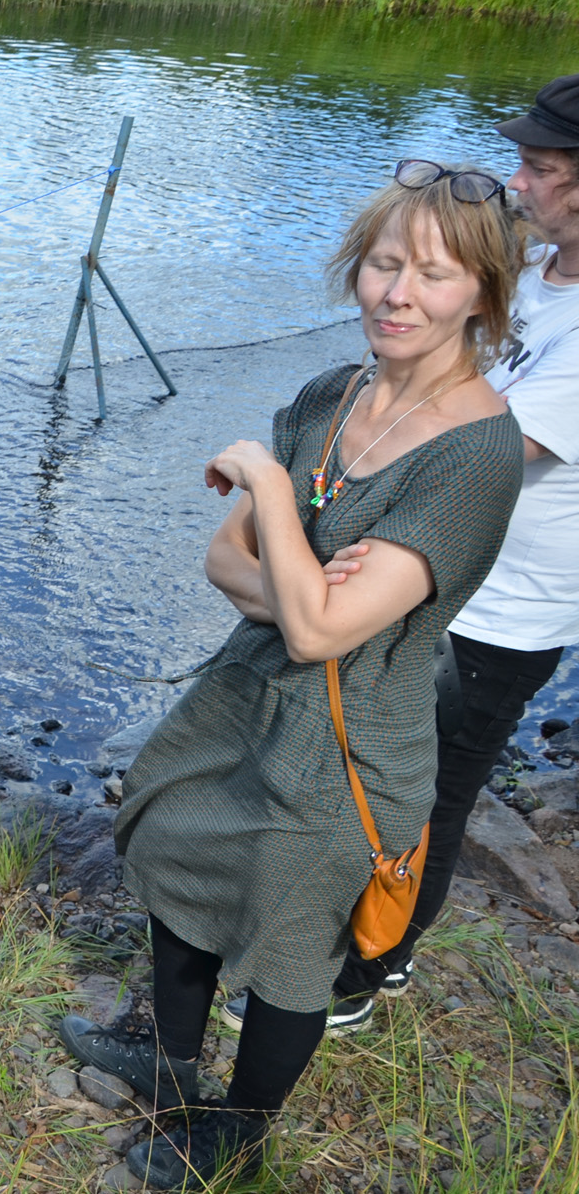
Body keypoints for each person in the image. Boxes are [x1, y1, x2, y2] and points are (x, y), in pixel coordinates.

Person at [61, 164, 526, 1189]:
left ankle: (239, 1129)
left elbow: (317, 632)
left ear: (483, 298)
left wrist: (272, 494)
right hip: (243, 691)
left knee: (285, 944)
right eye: (382, 262)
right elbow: (225, 564)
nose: (396, 292)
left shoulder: (475, 457)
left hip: (351, 738)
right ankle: (171, 1063)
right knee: (175, 842)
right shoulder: (333, 392)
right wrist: (308, 584)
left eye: (434, 275)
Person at [287, 75, 579, 1031]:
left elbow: (481, 450)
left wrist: (320, 500)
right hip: (419, 572)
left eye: (539, 169)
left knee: (432, 796)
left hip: (501, 607)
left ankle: (372, 972)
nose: (518, 182)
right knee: (367, 771)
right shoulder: (539, 276)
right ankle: (339, 934)